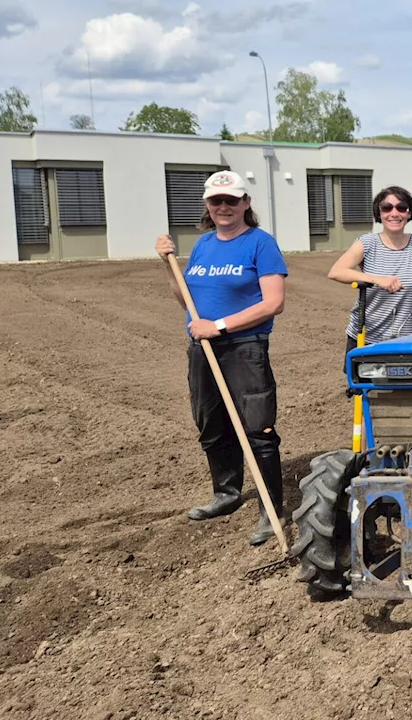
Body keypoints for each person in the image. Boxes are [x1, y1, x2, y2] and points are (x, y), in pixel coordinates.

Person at [153, 170, 288, 545]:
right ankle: (227, 494)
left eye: (232, 200)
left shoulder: (261, 243)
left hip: (244, 348)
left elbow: (274, 302)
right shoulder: (202, 245)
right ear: (207, 206)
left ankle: (270, 509)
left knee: (257, 428)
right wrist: (168, 266)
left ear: (246, 203)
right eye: (216, 201)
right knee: (211, 424)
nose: (224, 207)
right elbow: (187, 301)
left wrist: (221, 326)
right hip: (202, 348)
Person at [328, 186, 412, 352]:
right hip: (366, 337)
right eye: (387, 208)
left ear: (409, 213)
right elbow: (336, 271)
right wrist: (378, 280)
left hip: (407, 339)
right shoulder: (368, 243)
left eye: (401, 208)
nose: (394, 213)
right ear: (379, 213)